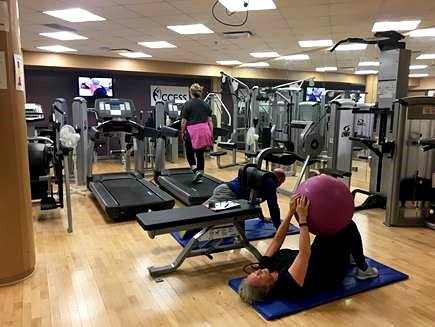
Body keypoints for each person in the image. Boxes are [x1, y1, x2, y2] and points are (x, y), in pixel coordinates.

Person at [238, 194, 379, 303]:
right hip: (330, 270)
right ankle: (363, 269)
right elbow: (304, 254)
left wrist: (290, 212)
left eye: (254, 273)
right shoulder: (286, 286)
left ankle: (348, 253)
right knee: (347, 225)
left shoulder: (265, 267)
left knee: (332, 225)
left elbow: (277, 241)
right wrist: (303, 219)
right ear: (267, 288)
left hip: (317, 255)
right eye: (258, 276)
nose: (259, 271)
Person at [204, 168, 286, 230]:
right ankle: (192, 228)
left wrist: (261, 217)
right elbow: (273, 206)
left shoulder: (262, 177)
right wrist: (279, 227)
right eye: (282, 182)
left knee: (240, 225)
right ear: (279, 178)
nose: (280, 184)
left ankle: (238, 240)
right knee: (203, 212)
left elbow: (255, 200)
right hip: (228, 193)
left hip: (228, 192)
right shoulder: (270, 183)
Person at [181, 83, 213, 184]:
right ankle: (200, 174)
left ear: (191, 93)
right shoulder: (206, 105)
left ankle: (195, 171)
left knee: (189, 152)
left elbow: (183, 121)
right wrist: (211, 134)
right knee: (200, 154)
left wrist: (182, 132)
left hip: (192, 131)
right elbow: (210, 121)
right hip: (205, 130)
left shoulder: (187, 104)